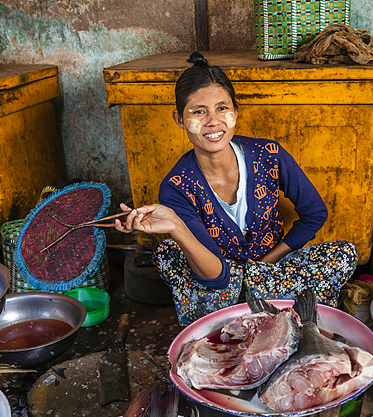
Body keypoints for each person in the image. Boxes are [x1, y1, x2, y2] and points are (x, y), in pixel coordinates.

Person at [114, 52, 356, 325]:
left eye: (222, 108)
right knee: (168, 253)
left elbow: (315, 213)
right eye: (198, 111)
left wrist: (264, 265)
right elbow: (216, 277)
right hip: (221, 274)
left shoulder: (268, 154)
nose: (212, 121)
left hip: (273, 268)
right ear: (180, 119)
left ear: (235, 112)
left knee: (344, 254)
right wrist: (175, 227)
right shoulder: (177, 187)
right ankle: (276, 306)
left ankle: (240, 307)